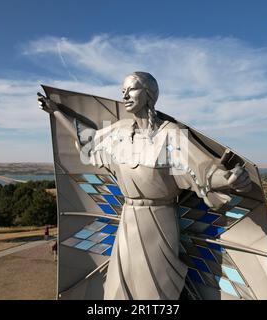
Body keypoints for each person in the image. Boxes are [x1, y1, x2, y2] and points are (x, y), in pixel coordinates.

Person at [38, 72, 252, 300]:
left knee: (155, 288)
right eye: (123, 90)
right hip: (128, 218)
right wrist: (57, 112)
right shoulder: (118, 131)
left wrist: (230, 180)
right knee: (119, 286)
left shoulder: (171, 134)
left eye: (132, 89)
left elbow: (203, 170)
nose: (125, 94)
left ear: (149, 93)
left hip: (160, 221)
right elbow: (87, 141)